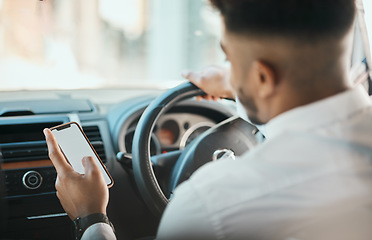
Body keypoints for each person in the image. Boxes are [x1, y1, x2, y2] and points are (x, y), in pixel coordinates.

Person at [44, 0, 372, 239]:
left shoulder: (212, 204)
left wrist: (90, 217)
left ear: (262, 77)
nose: (229, 68)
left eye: (230, 58)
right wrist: (240, 86)